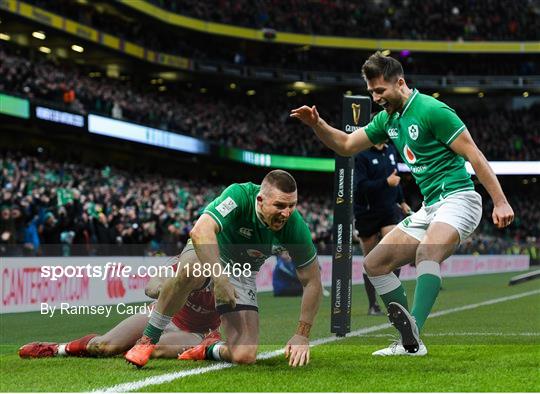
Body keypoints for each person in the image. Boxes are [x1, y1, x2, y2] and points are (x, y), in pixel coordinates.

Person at [290, 51, 514, 356]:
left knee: (426, 252)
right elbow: (345, 145)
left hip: (459, 198)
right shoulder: (387, 120)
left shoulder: (432, 110)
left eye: (380, 91)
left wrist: (499, 202)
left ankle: (414, 340)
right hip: (430, 206)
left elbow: (474, 154)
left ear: (401, 83)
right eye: (371, 92)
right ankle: (408, 338)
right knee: (374, 264)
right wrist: (317, 124)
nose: (376, 97)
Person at [125, 170, 322, 368]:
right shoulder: (239, 196)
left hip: (243, 271)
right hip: (210, 252)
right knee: (192, 269)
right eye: (280, 205)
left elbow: (312, 281)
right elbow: (200, 231)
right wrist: (220, 278)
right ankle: (148, 339)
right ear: (260, 200)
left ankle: (209, 347)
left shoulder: (295, 226)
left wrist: (302, 335)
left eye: (292, 206)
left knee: (245, 355)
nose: (286, 213)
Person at [18, 261, 220, 359]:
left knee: (153, 350)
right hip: (161, 313)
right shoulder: (188, 261)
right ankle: (57, 348)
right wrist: (168, 290)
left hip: (195, 332)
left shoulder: (232, 272)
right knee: (104, 346)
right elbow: (151, 285)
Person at [354, 142, 411, 316]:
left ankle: (392, 301)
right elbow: (361, 186)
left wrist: (401, 201)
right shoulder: (362, 155)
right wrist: (386, 182)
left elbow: (396, 180)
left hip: (389, 211)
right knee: (370, 261)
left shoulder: (392, 150)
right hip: (367, 212)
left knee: (395, 254)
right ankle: (373, 305)